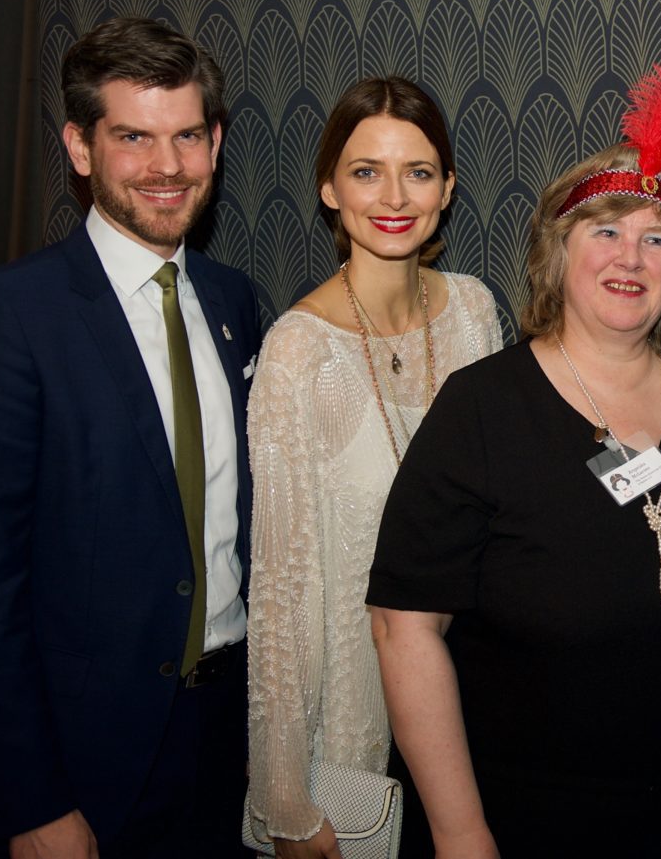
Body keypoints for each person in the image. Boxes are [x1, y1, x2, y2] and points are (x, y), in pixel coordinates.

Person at [366, 61, 661, 857]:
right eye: (605, 231)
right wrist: (459, 830)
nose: (631, 256)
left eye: (657, 239)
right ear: (559, 251)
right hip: (521, 822)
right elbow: (403, 629)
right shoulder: (483, 408)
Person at [0, 16, 261, 857]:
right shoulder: (4, 318)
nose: (166, 167)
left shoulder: (236, 304)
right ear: (80, 147)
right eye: (133, 137)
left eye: (187, 136)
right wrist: (29, 800)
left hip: (229, 738)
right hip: (84, 761)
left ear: (215, 143)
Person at [246, 76, 502, 858]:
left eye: (418, 171)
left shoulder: (473, 310)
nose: (394, 195)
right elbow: (280, 590)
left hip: (475, 712)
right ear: (329, 187)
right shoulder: (297, 351)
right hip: (357, 732)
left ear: (448, 188)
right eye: (366, 171)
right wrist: (284, 796)